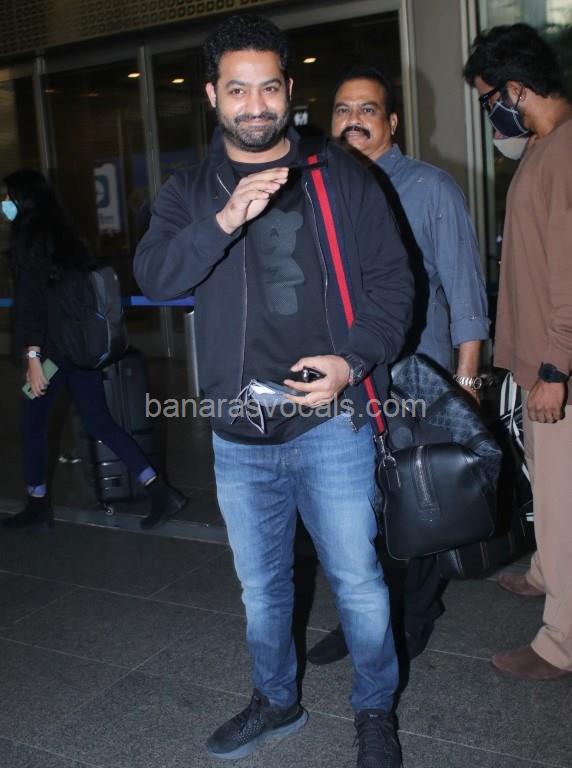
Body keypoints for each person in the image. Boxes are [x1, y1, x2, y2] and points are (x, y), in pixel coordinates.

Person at [134, 14, 412, 767]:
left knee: (357, 582)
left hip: (329, 422)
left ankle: (375, 710)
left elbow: (395, 285)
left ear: (289, 90)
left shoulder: (340, 175)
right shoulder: (191, 191)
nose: (254, 105)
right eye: (237, 90)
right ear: (212, 96)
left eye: (268, 88)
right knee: (261, 589)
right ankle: (276, 699)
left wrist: (352, 363)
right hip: (238, 431)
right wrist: (224, 219)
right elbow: (154, 276)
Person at [307, 65, 490, 667]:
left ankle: (415, 613)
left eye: (367, 109)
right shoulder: (318, 189)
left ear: (391, 121)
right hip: (347, 382)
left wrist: (467, 384)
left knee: (419, 500)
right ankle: (363, 615)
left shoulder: (429, 188)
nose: (352, 120)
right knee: (354, 507)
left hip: (419, 378)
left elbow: (465, 293)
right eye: (342, 109)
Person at [463, 23, 572, 681]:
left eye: (488, 98)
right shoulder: (542, 146)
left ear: (514, 88)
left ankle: (562, 643)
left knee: (562, 501)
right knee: (548, 493)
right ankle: (546, 572)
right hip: (537, 363)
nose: (490, 113)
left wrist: (556, 368)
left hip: (556, 368)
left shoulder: (565, 153)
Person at [1, 169, 186, 531]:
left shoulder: (30, 237)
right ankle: (160, 490)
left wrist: (33, 357)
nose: (5, 203)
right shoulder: (64, 233)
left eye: (9, 196)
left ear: (24, 199)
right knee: (99, 421)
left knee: (33, 424)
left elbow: (32, 303)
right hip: (79, 350)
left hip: (51, 355)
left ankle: (38, 505)